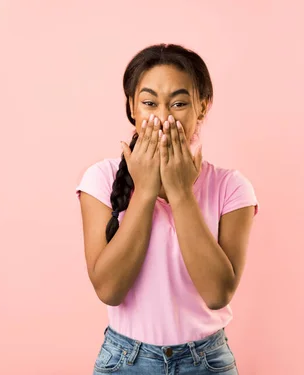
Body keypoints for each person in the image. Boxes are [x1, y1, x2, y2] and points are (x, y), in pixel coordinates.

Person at [75, 44, 258, 374]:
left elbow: (218, 294)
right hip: (124, 360)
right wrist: (145, 191)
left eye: (179, 103)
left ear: (201, 107)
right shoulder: (99, 179)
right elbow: (109, 290)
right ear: (132, 107)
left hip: (207, 361)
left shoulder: (232, 187)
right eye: (149, 103)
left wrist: (180, 193)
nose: (163, 117)